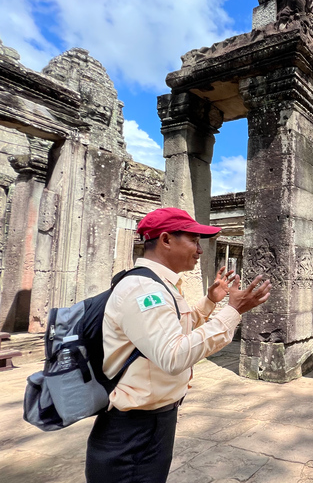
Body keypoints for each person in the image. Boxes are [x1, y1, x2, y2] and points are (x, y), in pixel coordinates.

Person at [85, 207, 272, 483]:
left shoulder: (160, 285)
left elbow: (172, 331)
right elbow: (173, 355)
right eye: (194, 240)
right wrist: (232, 311)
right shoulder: (144, 290)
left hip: (153, 422)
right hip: (133, 430)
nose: (200, 250)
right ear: (166, 240)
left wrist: (210, 303)